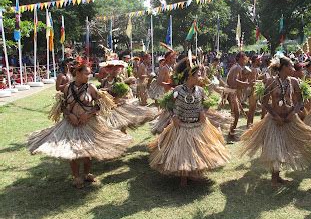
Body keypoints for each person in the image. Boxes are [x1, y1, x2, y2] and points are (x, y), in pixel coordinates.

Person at [27, 59, 132, 188]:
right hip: (71, 123)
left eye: (89, 74)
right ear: (78, 73)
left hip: (88, 123)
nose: (89, 76)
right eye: (86, 74)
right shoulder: (67, 88)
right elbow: (62, 106)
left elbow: (101, 105)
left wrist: (89, 113)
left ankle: (87, 173)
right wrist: (69, 114)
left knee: (87, 151)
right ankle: (76, 177)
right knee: (73, 151)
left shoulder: (91, 88)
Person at [148, 56, 230, 187]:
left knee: (195, 150)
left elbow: (206, 104)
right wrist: (174, 116)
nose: (201, 77)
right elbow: (168, 104)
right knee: (182, 151)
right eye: (198, 75)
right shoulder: (178, 90)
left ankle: (193, 171)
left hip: (196, 125)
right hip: (181, 126)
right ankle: (183, 177)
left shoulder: (201, 91)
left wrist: (203, 111)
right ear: (190, 76)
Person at [240, 56, 311, 187]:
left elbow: (299, 101)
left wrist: (291, 114)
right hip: (275, 120)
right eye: (291, 66)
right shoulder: (270, 81)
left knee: (285, 147)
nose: (293, 68)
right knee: (276, 147)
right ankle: (274, 178)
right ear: (284, 68)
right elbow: (264, 102)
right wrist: (276, 116)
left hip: (290, 119)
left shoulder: (294, 82)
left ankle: (277, 176)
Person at [100, 60, 158, 133]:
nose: (114, 71)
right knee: (114, 126)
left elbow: (121, 90)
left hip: (118, 105)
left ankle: (124, 136)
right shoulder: (104, 81)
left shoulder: (119, 79)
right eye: (112, 69)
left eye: (116, 69)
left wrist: (108, 90)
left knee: (121, 126)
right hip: (109, 106)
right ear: (108, 70)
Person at [226, 52, 252, 139]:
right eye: (245, 58)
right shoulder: (237, 67)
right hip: (231, 92)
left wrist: (245, 77)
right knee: (236, 113)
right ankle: (231, 133)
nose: (246, 60)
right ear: (241, 58)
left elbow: (236, 81)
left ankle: (231, 133)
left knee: (236, 113)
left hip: (232, 92)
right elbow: (234, 81)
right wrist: (247, 84)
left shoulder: (238, 67)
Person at [247, 55, 261, 128]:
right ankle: (249, 124)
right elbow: (251, 82)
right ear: (255, 61)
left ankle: (250, 123)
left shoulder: (256, 69)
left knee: (253, 108)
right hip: (252, 90)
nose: (260, 61)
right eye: (259, 60)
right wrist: (261, 81)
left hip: (255, 90)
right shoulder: (252, 69)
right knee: (252, 108)